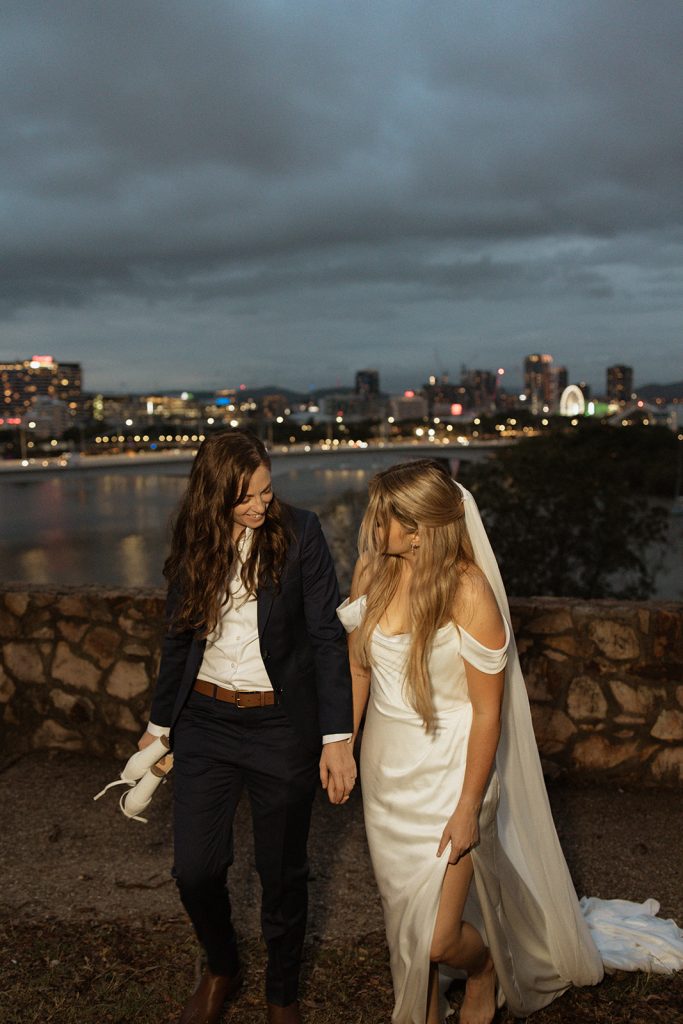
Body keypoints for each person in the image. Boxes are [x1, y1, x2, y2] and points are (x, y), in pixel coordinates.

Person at [338, 459, 683, 1024]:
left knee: (439, 939)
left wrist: (470, 805)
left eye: (387, 515)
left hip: (452, 772)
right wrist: (343, 744)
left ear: (421, 526)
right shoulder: (369, 574)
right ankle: (421, 1005)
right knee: (403, 913)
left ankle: (484, 969)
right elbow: (357, 671)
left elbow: (486, 713)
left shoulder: (469, 591)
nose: (374, 523)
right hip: (384, 771)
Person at [138, 430, 355, 1024]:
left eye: (266, 490)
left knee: (281, 872)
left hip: (281, 724)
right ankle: (221, 965)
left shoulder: (300, 531)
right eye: (247, 498)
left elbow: (326, 637)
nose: (262, 505)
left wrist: (337, 738)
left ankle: (281, 995)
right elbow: (179, 637)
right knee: (195, 869)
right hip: (204, 721)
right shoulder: (194, 536)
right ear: (215, 497)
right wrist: (159, 727)